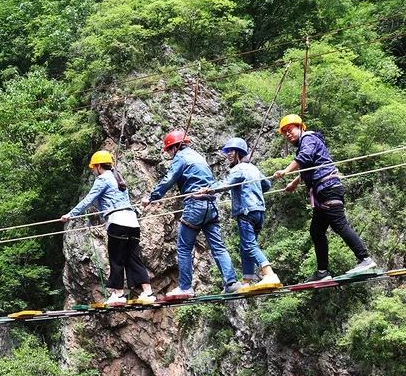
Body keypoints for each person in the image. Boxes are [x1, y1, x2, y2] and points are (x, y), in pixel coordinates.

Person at [271, 114, 377, 281]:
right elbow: (311, 165)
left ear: (300, 127)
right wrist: (295, 182)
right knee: (316, 231)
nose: (287, 134)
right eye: (285, 133)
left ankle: (365, 259)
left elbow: (304, 158)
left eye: (290, 130)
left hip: (327, 189)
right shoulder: (306, 142)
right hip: (322, 192)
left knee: (339, 224)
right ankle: (322, 272)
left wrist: (285, 171)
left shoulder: (308, 138)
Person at [142, 130, 240, 298]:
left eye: (169, 151)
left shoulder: (180, 157)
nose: (170, 155)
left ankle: (185, 287)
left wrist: (152, 197)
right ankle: (231, 282)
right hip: (211, 204)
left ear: (173, 148)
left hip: (195, 204)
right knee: (218, 247)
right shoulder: (199, 156)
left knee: (184, 247)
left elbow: (169, 179)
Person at [62, 151, 155, 306]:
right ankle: (148, 292)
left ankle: (118, 295)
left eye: (93, 167)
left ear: (98, 166)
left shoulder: (103, 179)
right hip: (133, 223)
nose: (93, 170)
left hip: (117, 222)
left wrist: (70, 215)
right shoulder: (118, 178)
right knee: (133, 258)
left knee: (116, 259)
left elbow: (88, 200)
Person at [200, 138, 280, 287]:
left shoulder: (238, 169)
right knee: (247, 246)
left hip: (245, 211)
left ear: (239, 152)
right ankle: (246, 280)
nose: (228, 154)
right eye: (227, 151)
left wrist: (209, 190)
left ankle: (269, 273)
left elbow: (225, 184)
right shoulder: (254, 168)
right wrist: (253, 189)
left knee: (249, 245)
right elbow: (267, 184)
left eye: (231, 151)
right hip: (259, 211)